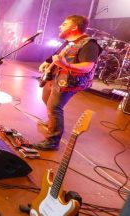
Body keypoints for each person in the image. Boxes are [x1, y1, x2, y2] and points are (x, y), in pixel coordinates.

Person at [35, 15, 101, 150]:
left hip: (69, 82)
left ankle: (52, 141)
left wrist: (66, 66)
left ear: (74, 27)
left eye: (64, 24)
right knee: (46, 99)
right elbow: (58, 55)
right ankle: (53, 123)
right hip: (56, 77)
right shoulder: (69, 42)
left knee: (54, 107)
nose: (60, 26)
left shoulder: (89, 44)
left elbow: (87, 67)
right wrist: (47, 63)